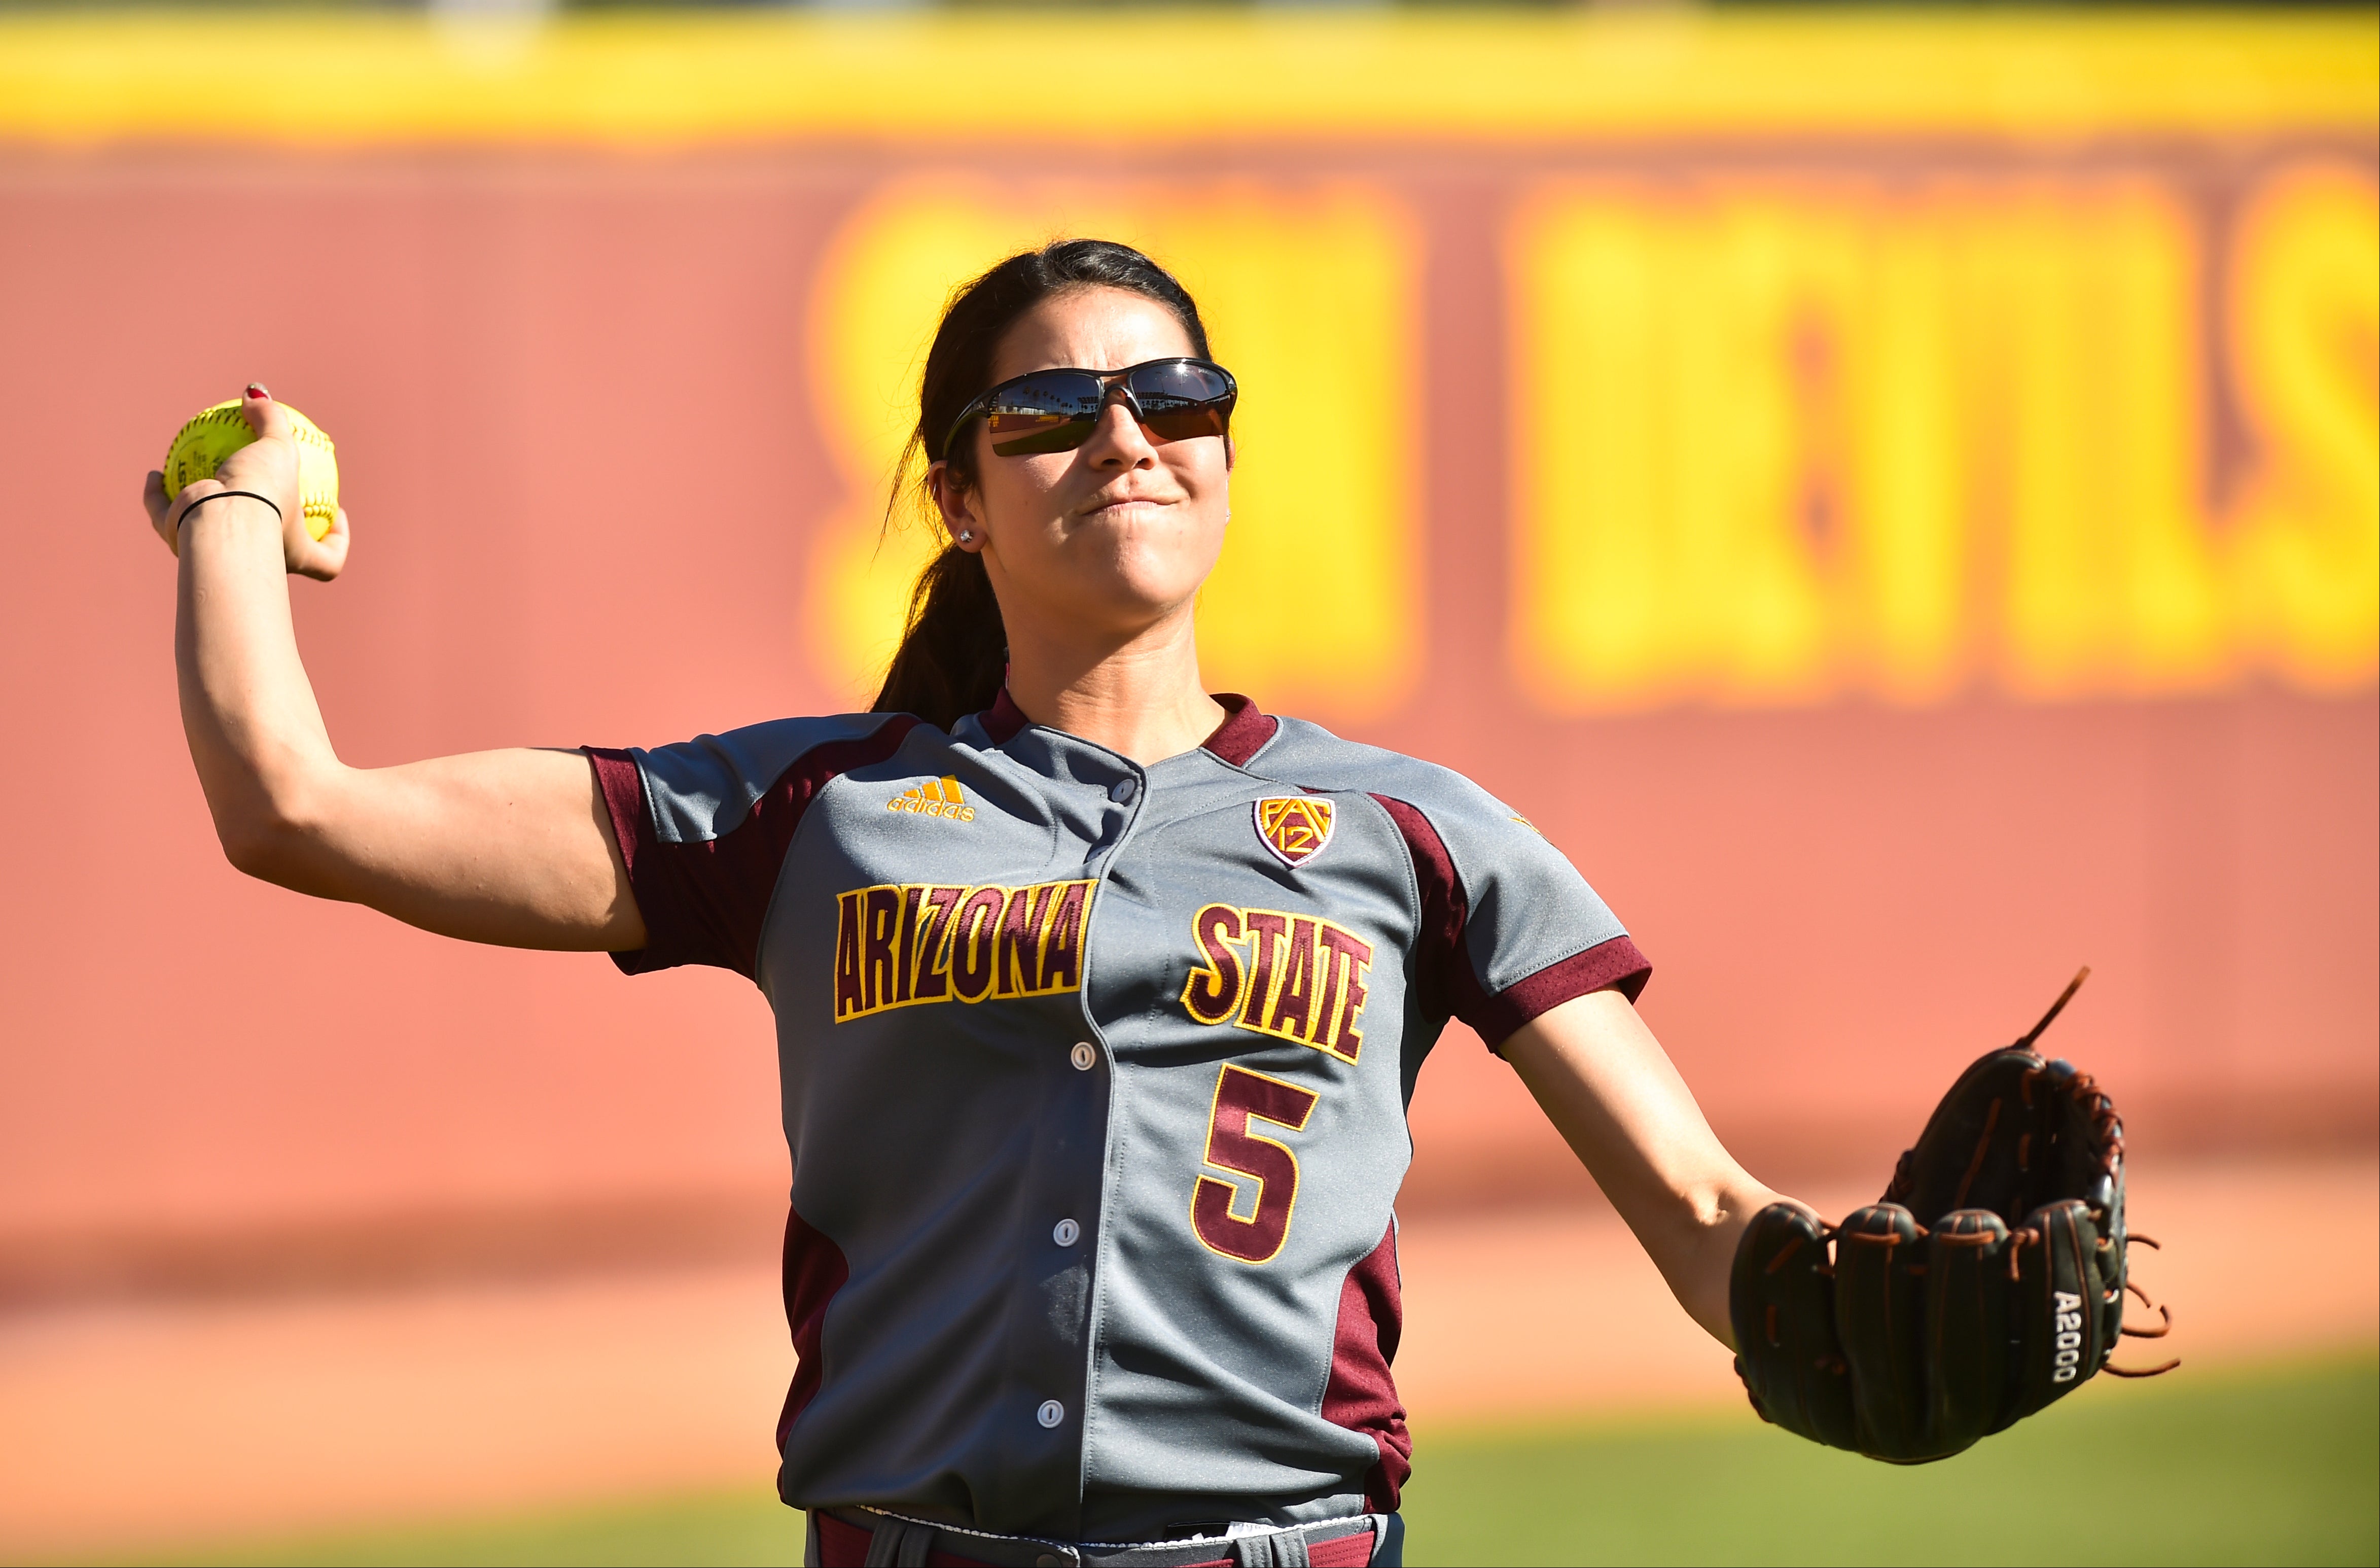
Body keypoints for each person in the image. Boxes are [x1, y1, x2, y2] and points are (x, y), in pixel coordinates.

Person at [146, 239, 1806, 1568]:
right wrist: (234, 504)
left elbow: (1711, 1215)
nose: (1127, 437)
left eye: (1175, 393)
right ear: (960, 494)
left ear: (1227, 453)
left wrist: (1867, 1323)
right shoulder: (809, 813)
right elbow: (297, 807)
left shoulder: (1417, 833)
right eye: (1053, 411)